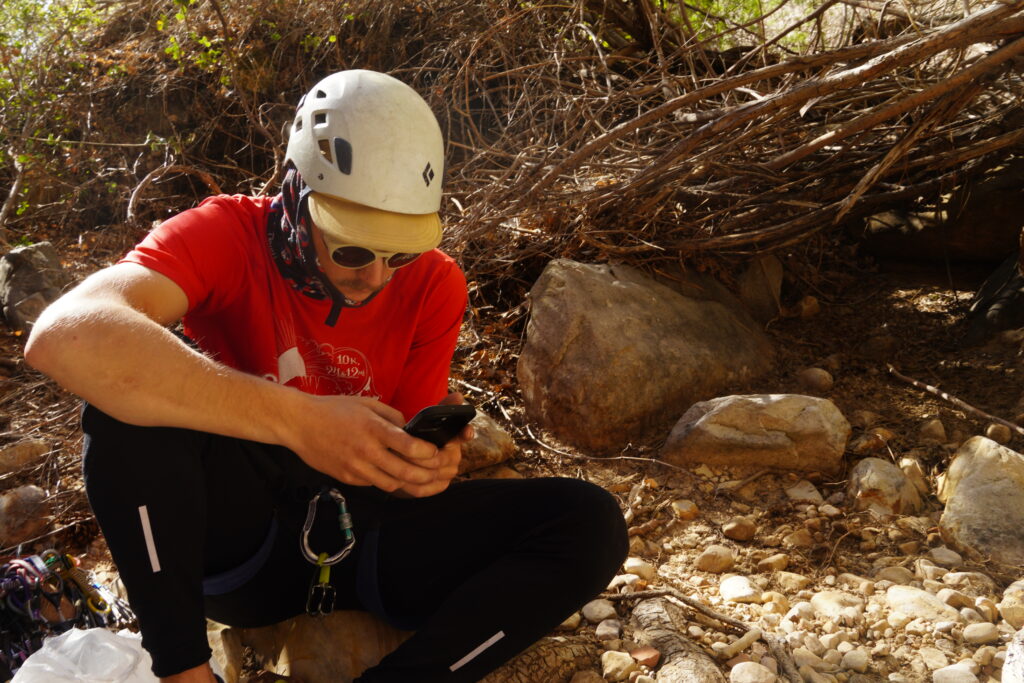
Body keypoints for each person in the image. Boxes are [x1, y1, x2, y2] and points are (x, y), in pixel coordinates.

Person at [24, 69, 628, 682]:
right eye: (353, 248)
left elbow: (405, 469)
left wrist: (420, 466)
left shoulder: (433, 282)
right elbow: (64, 336)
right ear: (295, 192)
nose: (376, 277)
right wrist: (299, 421)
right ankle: (184, 671)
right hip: (248, 548)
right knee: (127, 409)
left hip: (370, 543)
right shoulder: (226, 235)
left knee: (588, 520)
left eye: (399, 253)